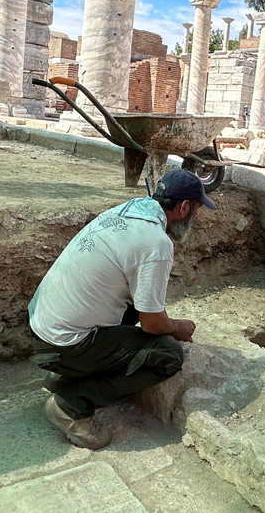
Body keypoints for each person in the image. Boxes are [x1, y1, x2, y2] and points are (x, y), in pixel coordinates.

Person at [27, 169, 215, 449]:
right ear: (184, 207)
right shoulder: (156, 242)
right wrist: (177, 327)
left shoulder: (128, 210)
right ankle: (71, 405)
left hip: (40, 328)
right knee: (168, 354)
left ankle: (63, 376)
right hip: (63, 343)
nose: (196, 218)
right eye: (196, 209)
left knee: (133, 304)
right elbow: (152, 324)